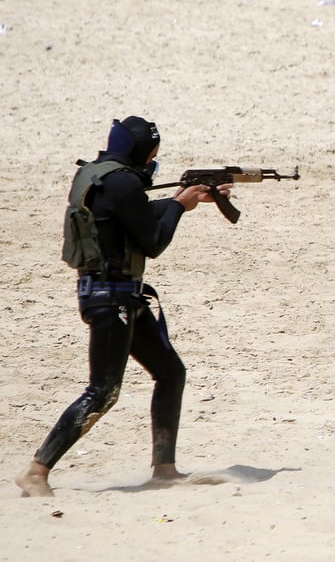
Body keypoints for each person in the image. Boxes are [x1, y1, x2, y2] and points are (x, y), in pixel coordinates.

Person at [15, 116, 231, 498]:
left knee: (170, 372)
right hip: (112, 298)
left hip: (113, 292)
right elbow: (153, 242)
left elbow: (127, 215)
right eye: (151, 155)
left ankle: (164, 469)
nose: (152, 162)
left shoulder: (100, 176)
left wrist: (183, 200)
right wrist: (179, 207)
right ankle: (37, 471)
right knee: (103, 391)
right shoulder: (126, 182)